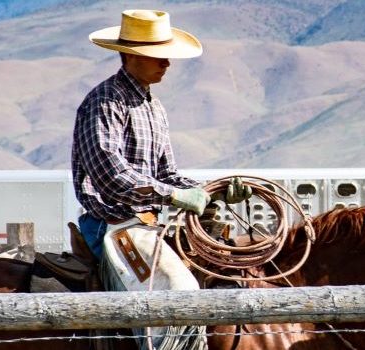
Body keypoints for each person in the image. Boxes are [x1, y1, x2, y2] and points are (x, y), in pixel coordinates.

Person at [72, 9, 251, 350]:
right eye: (157, 56)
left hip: (146, 224)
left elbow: (166, 173)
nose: (166, 63)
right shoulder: (104, 102)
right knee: (180, 293)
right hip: (114, 224)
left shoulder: (153, 107)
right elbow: (110, 176)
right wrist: (173, 197)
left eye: (167, 55)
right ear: (131, 55)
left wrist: (209, 191)